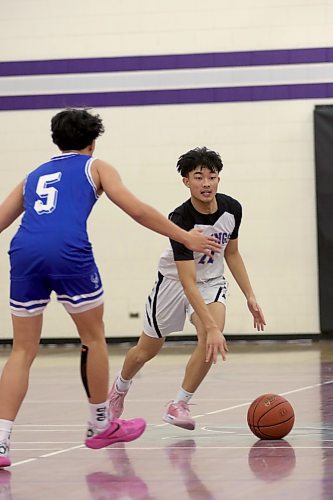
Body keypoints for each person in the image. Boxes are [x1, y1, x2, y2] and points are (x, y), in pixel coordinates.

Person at [0, 111, 221, 468]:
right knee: (93, 337)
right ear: (93, 141)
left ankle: (1, 441)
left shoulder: (33, 175)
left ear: (56, 141)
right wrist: (185, 236)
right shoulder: (96, 167)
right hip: (69, 251)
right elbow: (135, 210)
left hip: (23, 251)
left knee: (23, 350)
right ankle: (100, 424)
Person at [109, 146, 266, 430]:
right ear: (186, 181)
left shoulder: (232, 208)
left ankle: (179, 403)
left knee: (208, 340)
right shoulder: (179, 219)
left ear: (219, 179)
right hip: (173, 284)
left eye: (212, 176)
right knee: (145, 351)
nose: (206, 183)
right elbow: (187, 281)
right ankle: (119, 388)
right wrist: (213, 327)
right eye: (198, 177)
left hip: (211, 282)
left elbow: (231, 254)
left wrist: (250, 295)